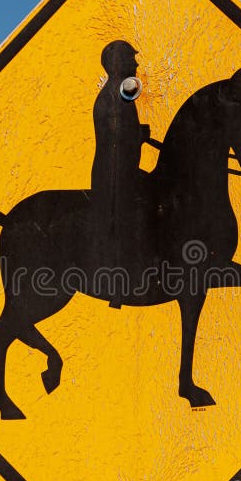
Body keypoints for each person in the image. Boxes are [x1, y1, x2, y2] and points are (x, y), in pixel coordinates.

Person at [90, 40, 150, 305]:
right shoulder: (115, 94)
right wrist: (138, 135)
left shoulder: (120, 93)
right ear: (117, 63)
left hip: (122, 171)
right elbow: (116, 137)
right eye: (130, 59)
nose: (136, 64)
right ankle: (121, 284)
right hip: (114, 177)